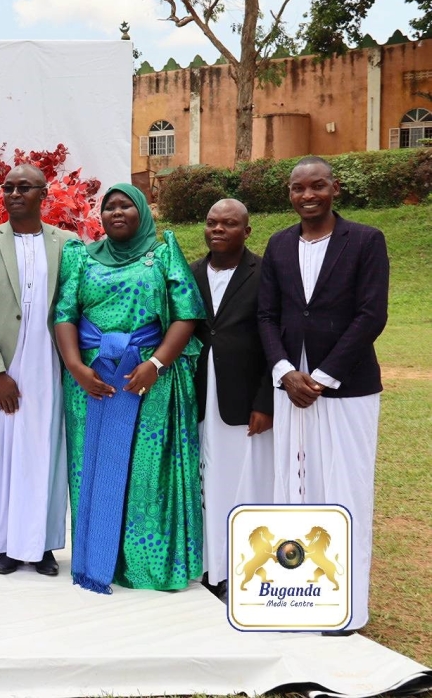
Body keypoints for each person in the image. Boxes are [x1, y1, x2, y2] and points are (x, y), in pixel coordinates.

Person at [257, 156, 389, 634]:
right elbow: (266, 317)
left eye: (317, 186)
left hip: (347, 389)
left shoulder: (367, 240)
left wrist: (325, 376)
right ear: (289, 194)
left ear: (335, 188)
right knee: (293, 490)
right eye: (298, 188)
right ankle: (296, 598)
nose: (307, 195)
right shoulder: (277, 245)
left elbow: (372, 315)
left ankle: (345, 608)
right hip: (290, 388)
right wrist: (286, 372)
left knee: (345, 490)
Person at [53, 183, 205, 593]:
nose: (116, 213)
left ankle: (145, 566)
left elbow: (186, 316)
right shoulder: (80, 257)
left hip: (148, 379)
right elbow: (65, 314)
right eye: (109, 208)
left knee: (146, 471)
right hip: (92, 380)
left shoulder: (163, 254)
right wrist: (75, 367)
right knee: (93, 466)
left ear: (143, 212)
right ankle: (96, 558)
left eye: (126, 206)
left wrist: (155, 364)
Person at [0, 164, 76, 576]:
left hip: (48, 361)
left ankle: (41, 546)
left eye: (23, 187)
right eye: (7, 187)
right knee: (3, 453)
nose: (13, 193)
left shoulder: (68, 243)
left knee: (43, 452)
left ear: (43, 194)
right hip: (1, 367)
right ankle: (8, 544)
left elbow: (75, 307)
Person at [191, 199, 273, 601]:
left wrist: (265, 401)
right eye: (211, 223)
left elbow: (275, 341)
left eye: (228, 224)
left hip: (243, 401)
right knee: (204, 484)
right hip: (198, 395)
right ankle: (207, 567)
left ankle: (239, 570)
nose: (218, 230)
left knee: (240, 485)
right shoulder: (189, 272)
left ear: (247, 230)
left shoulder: (264, 274)